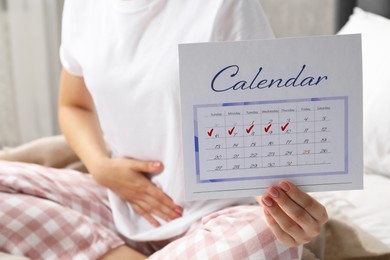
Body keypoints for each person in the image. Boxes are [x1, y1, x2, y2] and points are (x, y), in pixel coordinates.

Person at [0, 0, 328, 259]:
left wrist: (286, 208)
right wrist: (100, 167)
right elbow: (73, 105)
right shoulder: (82, 6)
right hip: (121, 204)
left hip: (217, 219)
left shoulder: (225, 4)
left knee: (267, 235)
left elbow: (263, 121)